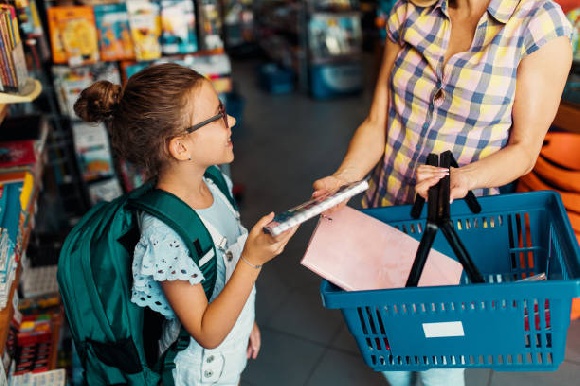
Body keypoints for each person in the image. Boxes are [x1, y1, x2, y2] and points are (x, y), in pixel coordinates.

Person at [313, 0, 573, 385]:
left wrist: (462, 178)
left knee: (440, 359)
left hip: (456, 232)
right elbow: (377, 121)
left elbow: (524, 149)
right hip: (385, 212)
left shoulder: (538, 24)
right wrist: (345, 177)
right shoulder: (408, 12)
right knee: (388, 348)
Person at [73, 62, 298, 385]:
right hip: (200, 374)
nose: (231, 120)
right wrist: (252, 260)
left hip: (229, 349)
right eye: (218, 115)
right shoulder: (164, 235)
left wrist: (245, 318)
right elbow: (207, 332)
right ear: (180, 146)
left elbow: (224, 282)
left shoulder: (215, 181)